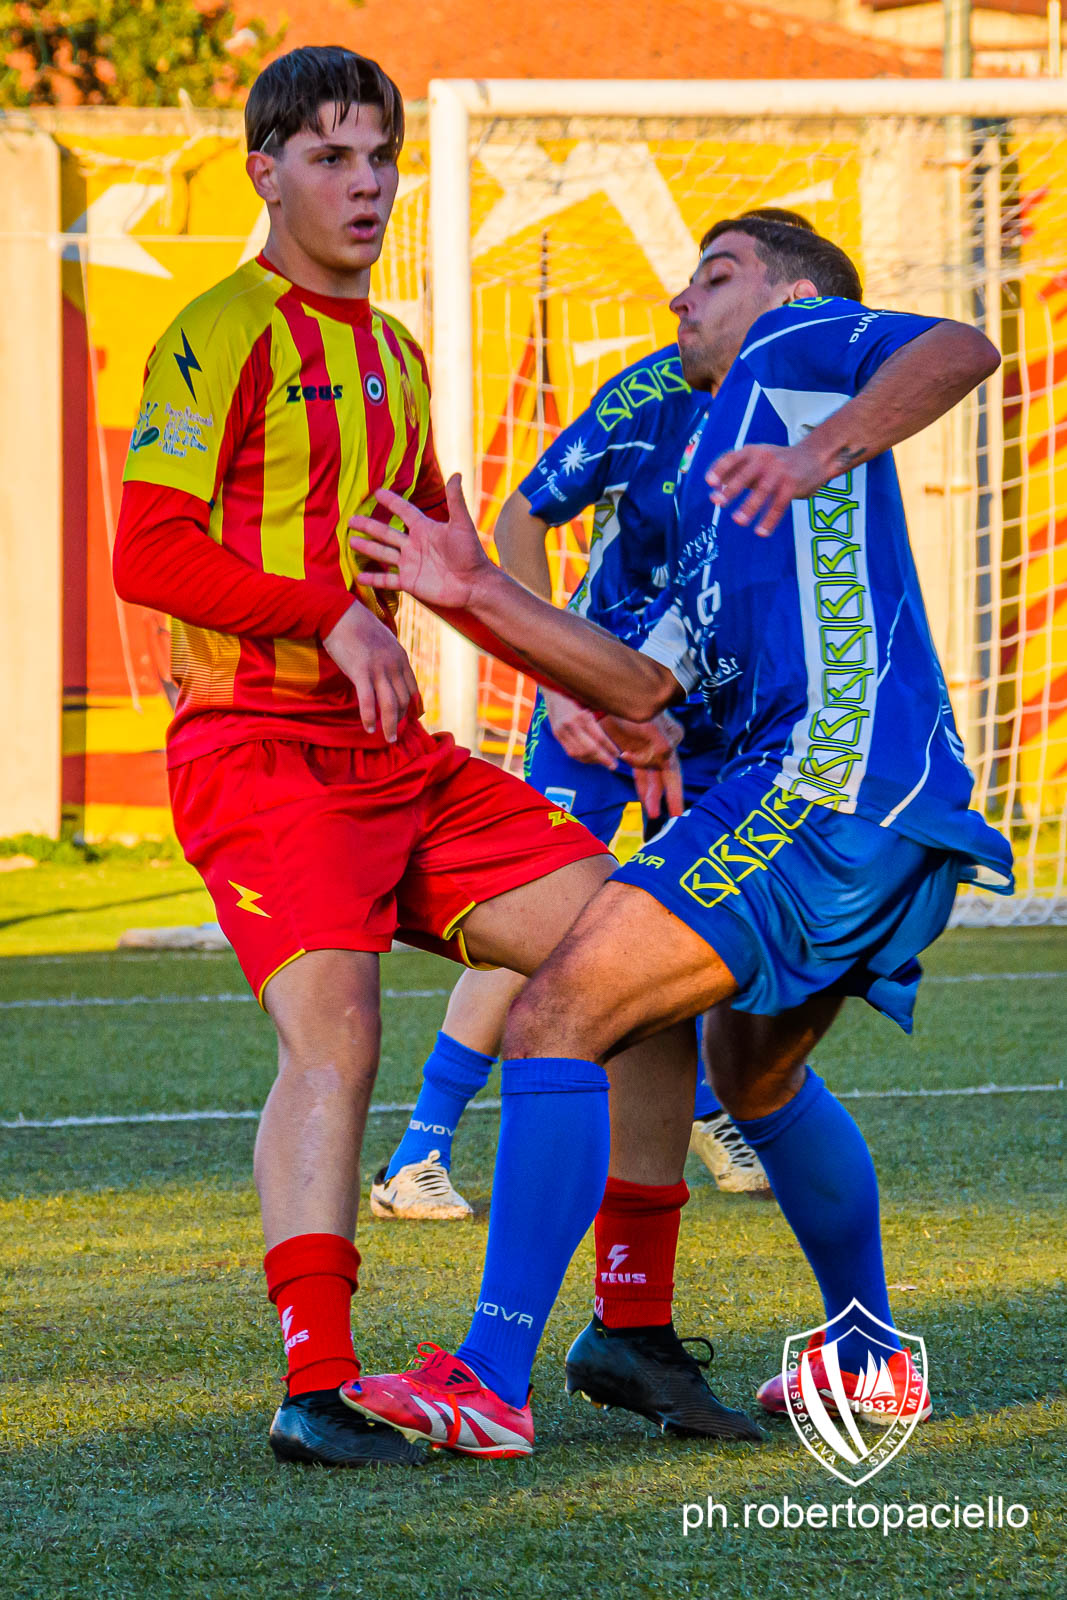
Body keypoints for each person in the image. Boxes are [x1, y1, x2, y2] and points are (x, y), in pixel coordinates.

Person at [111, 45, 700, 1469]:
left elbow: (449, 569)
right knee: (340, 1033)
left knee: (646, 962)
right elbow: (146, 549)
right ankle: (315, 1385)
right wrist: (324, 614)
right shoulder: (214, 332)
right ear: (265, 172)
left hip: (399, 761)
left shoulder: (394, 353)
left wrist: (590, 700)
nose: (365, 183)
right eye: (331, 157)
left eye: (380, 156)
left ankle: (628, 1326)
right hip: (261, 751)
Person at [338, 216, 1012, 1457]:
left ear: (788, 295)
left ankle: (489, 1376)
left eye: (715, 274)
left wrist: (817, 450)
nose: (679, 299)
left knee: (558, 1011)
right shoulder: (705, 489)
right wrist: (475, 592)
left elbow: (959, 348)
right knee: (754, 1079)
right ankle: (866, 1354)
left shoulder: (794, 348)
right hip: (860, 801)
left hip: (821, 784)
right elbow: (639, 682)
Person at [370, 307, 794, 1221]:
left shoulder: (811, 412)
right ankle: (418, 1153)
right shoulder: (651, 390)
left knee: (699, 925)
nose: (688, 301)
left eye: (716, 278)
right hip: (593, 704)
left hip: (718, 712)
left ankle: (704, 1108)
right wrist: (557, 679)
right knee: (546, 918)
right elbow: (522, 514)